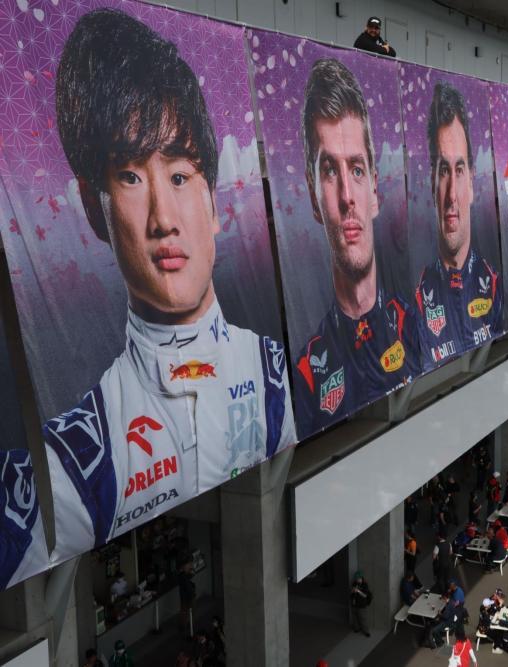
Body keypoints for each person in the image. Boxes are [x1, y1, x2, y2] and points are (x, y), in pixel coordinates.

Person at [45, 7, 296, 559]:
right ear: (95, 208)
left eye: (181, 176)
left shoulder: (280, 376)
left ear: (215, 200)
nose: (164, 218)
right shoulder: (74, 462)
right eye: (131, 177)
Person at [294, 57, 422, 434]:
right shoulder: (305, 373)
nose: (347, 196)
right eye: (330, 170)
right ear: (313, 195)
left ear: (375, 191)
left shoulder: (416, 324)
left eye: (357, 169)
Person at [415, 82, 503, 367]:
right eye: (443, 170)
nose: (452, 194)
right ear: (432, 183)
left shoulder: (496, 287)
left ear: (473, 182)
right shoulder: (413, 301)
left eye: (460, 169)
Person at [349, 571, 373, 637]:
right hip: (354, 603)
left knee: (362, 619)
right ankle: (356, 628)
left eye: (358, 578)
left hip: (361, 605)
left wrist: (358, 591)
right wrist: (352, 591)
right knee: (354, 617)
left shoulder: (365, 585)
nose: (357, 580)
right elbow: (351, 592)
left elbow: (365, 595)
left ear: (361, 578)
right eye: (356, 578)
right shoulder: (354, 583)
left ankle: (366, 632)